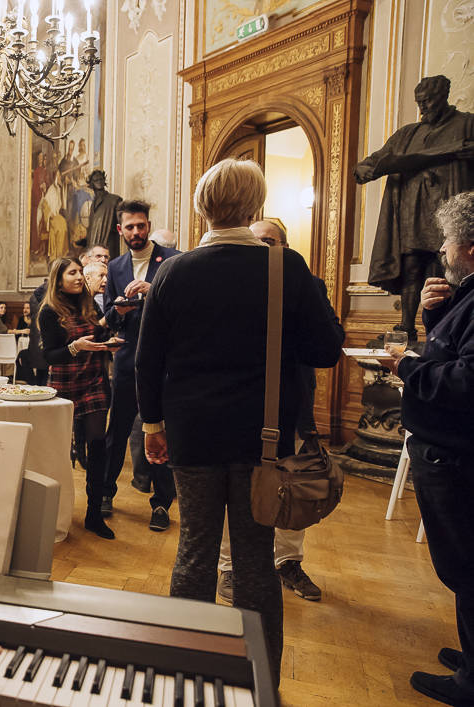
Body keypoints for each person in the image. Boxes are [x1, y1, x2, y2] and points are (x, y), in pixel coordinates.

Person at [135, 159, 344, 687]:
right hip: (264, 434)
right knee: (253, 560)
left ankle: (183, 674)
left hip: (192, 431)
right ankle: (260, 680)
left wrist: (152, 428)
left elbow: (147, 359)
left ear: (203, 207)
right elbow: (324, 349)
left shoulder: (173, 270)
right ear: (255, 208)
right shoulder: (284, 267)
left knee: (195, 551)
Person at [384, 190, 474, 707]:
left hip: (458, 457)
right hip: (450, 450)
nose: (442, 250)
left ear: (470, 248)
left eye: (448, 241)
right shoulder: (466, 295)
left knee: (468, 567)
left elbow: (466, 380)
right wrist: (430, 315)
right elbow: (450, 348)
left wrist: (406, 365)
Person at [217, 219, 331, 605]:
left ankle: (288, 562)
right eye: (256, 241)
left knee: (291, 485)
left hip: (291, 403)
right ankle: (230, 568)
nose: (262, 247)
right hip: (240, 406)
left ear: (285, 246)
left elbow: (328, 342)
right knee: (239, 489)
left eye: (270, 241)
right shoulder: (233, 284)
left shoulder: (307, 284)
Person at [355, 75, 474, 339]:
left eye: (428, 102)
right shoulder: (409, 133)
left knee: (448, 267)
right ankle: (406, 327)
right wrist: (366, 169)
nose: (423, 109)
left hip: (449, 211)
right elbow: (372, 163)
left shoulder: (466, 124)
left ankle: (447, 327)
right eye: (419, 103)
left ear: (443, 96)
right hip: (412, 210)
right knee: (411, 267)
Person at [102, 199, 180, 531]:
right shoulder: (116, 267)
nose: (137, 231)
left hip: (163, 364)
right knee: (116, 433)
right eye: (130, 227)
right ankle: (104, 493)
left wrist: (154, 291)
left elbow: (181, 311)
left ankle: (161, 504)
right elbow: (107, 318)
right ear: (121, 231)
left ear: (148, 225)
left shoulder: (172, 261)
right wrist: (118, 311)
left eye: (142, 225)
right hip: (126, 361)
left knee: (160, 432)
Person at [39, 257, 121, 540]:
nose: (78, 277)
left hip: (94, 382)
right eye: (71, 273)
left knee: (98, 446)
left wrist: (109, 339)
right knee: (60, 451)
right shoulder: (49, 312)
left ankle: (94, 514)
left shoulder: (89, 306)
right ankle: (56, 510)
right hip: (64, 386)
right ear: (58, 279)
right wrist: (75, 346)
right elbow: (50, 356)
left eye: (79, 272)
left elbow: (97, 336)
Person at [85, 169, 123, 259]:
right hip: (94, 250)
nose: (99, 182)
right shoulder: (93, 205)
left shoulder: (115, 200)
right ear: (91, 183)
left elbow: (122, 225)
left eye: (101, 179)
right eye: (96, 180)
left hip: (108, 246)